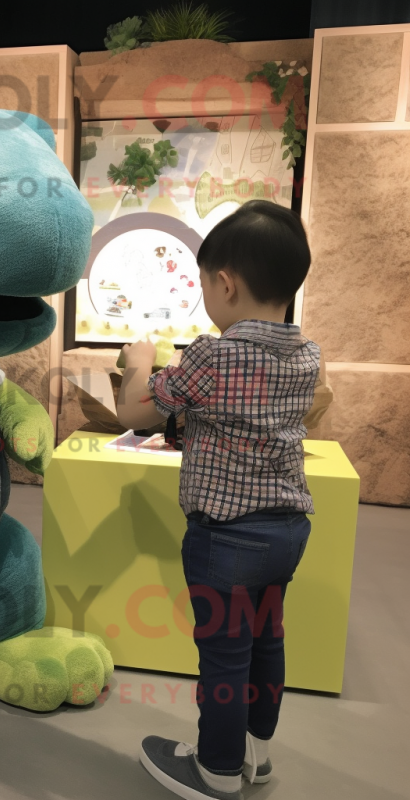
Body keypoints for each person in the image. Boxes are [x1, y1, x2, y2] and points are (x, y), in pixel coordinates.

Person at [116, 200, 323, 800]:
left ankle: (215, 771)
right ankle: (254, 757)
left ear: (225, 283)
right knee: (266, 640)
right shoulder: (307, 354)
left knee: (225, 656)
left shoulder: (212, 354)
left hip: (226, 539)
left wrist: (141, 362)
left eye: (205, 284)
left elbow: (134, 410)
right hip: (287, 532)